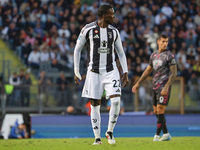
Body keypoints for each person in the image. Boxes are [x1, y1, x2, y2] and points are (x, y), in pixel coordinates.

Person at [74, 5, 128, 145]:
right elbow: (77, 49)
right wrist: (76, 70)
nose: (114, 16)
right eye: (112, 14)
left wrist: (125, 71)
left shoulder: (114, 32)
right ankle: (97, 138)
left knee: (116, 101)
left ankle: (109, 131)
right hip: (94, 72)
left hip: (111, 70)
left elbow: (121, 53)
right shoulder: (88, 29)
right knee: (95, 105)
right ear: (104, 15)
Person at [132, 34, 177, 141]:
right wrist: (138, 83)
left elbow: (174, 73)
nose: (165, 44)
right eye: (163, 41)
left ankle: (156, 135)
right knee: (156, 111)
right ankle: (166, 133)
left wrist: (166, 87)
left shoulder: (169, 55)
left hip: (163, 86)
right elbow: (148, 71)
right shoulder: (153, 55)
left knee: (161, 109)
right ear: (158, 42)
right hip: (155, 87)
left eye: (166, 42)